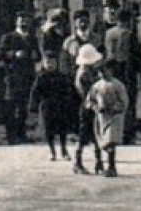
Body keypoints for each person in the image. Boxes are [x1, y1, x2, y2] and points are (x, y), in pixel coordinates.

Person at [0, 12, 40, 144]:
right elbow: (0, 54)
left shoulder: (32, 38)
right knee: (11, 105)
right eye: (21, 21)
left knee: (24, 106)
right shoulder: (9, 37)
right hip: (13, 76)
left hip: (28, 76)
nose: (24, 23)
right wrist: (14, 54)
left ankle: (21, 133)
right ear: (16, 22)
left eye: (26, 21)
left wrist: (34, 55)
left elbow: (38, 55)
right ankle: (11, 135)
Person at [102, 5, 141, 147]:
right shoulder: (129, 34)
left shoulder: (108, 33)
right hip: (127, 69)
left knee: (112, 101)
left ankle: (112, 134)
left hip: (112, 69)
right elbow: (136, 54)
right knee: (128, 102)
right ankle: (127, 135)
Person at [28, 52, 77, 161]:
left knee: (62, 130)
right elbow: (35, 93)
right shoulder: (41, 77)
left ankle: (64, 150)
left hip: (60, 106)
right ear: (43, 64)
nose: (50, 65)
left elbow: (69, 91)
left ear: (57, 63)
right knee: (48, 130)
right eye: (47, 62)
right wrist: (33, 107)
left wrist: (70, 103)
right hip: (47, 107)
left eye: (53, 62)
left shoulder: (62, 77)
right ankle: (52, 152)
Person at [86, 63, 132, 177]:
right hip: (100, 118)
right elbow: (89, 101)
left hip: (114, 117)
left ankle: (112, 167)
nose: (102, 73)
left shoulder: (117, 85)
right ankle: (98, 163)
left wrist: (114, 108)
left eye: (105, 70)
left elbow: (124, 101)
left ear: (111, 71)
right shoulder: (96, 86)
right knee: (99, 141)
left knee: (111, 141)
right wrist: (95, 107)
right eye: (100, 72)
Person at [71, 45, 104, 176]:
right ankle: (78, 163)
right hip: (88, 107)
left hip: (88, 106)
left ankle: (98, 162)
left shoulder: (86, 71)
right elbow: (89, 92)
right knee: (85, 135)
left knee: (96, 136)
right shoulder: (84, 74)